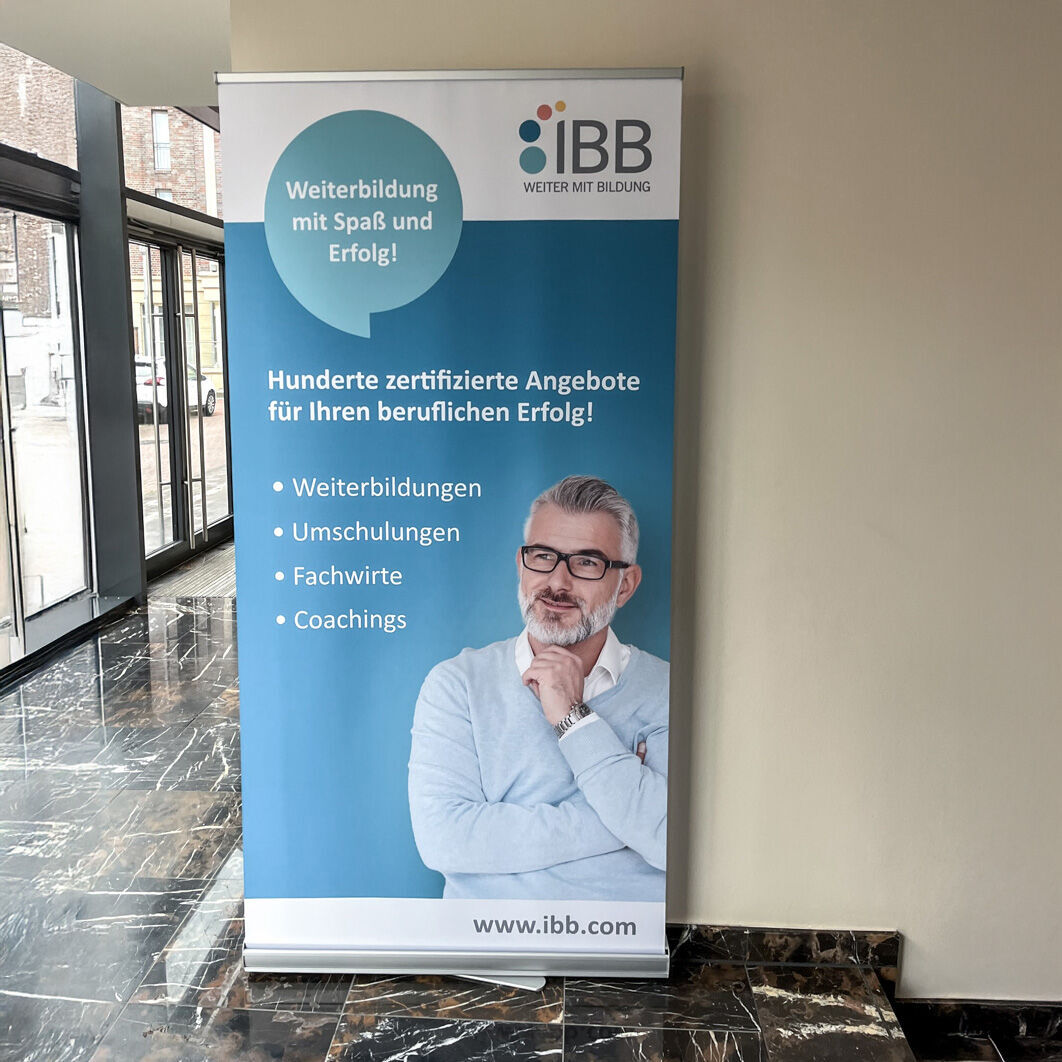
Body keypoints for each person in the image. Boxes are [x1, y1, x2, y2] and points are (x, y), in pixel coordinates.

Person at [408, 475, 668, 900]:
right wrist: (623, 816)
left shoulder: (667, 692)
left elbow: (668, 841)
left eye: (587, 562)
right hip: (485, 940)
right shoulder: (458, 685)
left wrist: (572, 718)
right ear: (521, 565)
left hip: (623, 940)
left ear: (625, 585)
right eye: (543, 556)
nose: (558, 582)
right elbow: (444, 839)